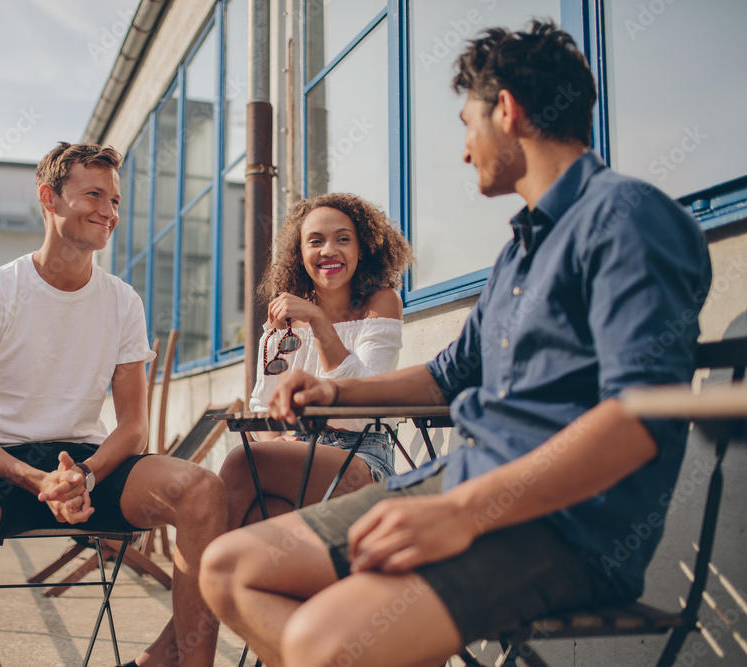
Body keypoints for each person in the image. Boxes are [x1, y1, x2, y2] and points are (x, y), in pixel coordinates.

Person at [199, 19, 712, 667]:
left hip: (561, 528)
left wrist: (465, 513)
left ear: (509, 110)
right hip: (455, 485)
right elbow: (446, 375)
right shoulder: (521, 251)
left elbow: (636, 421)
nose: (466, 151)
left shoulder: (629, 221)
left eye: (469, 125)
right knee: (228, 567)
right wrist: (335, 388)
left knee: (318, 642)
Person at [0, 142, 226, 667]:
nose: (109, 210)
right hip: (2, 466)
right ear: (49, 200)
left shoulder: (123, 300)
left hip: (89, 465)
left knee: (202, 491)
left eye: (116, 200)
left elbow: (133, 429)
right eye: (94, 195)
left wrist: (85, 475)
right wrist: (37, 481)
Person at [220, 193, 413, 529]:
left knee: (241, 463)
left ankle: (207, 577)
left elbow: (363, 408)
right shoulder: (286, 318)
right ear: (300, 253)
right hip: (297, 453)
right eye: (316, 241)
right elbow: (262, 405)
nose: (328, 250)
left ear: (361, 248)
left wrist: (319, 323)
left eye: (343, 239)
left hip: (362, 458)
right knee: (261, 515)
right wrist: (276, 442)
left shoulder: (381, 303)